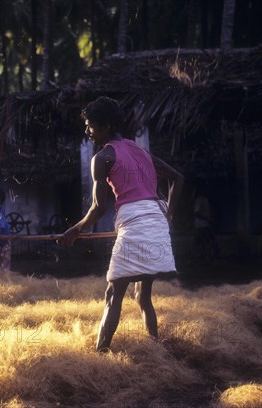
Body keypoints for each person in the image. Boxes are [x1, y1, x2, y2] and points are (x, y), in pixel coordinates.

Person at [59, 96, 183, 353]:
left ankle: (100, 355)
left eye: (90, 125)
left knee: (113, 295)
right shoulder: (139, 150)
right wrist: (167, 215)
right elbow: (177, 178)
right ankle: (156, 349)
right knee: (143, 296)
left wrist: (76, 228)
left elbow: (99, 207)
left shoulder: (103, 157)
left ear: (104, 125)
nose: (87, 131)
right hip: (157, 223)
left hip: (137, 226)